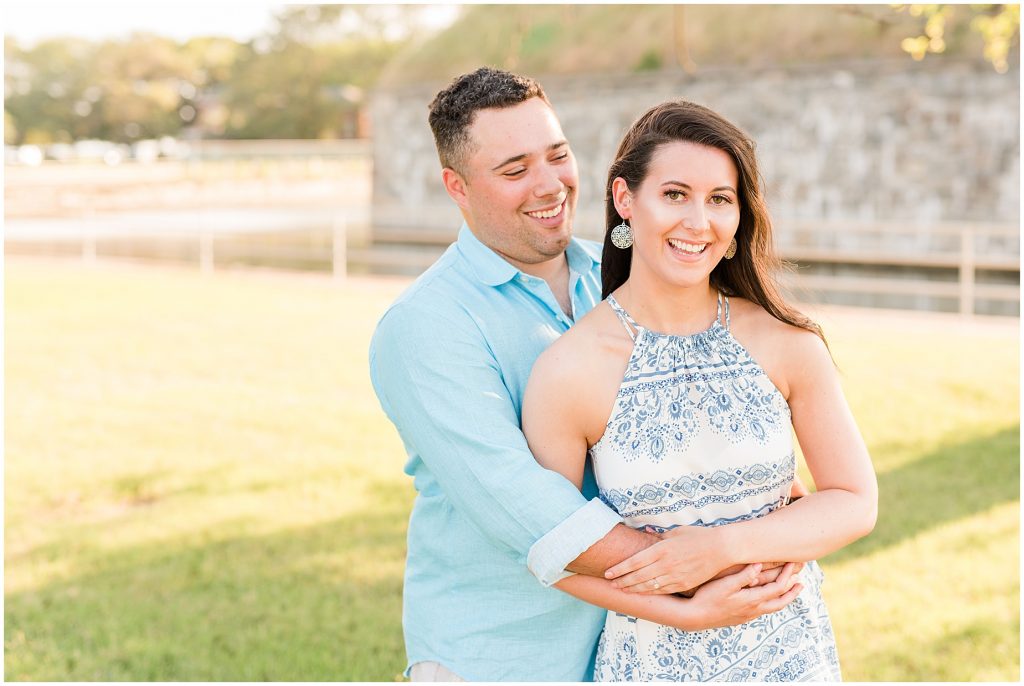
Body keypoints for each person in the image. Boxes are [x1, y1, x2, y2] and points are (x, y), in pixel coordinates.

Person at [369, 69, 803, 682]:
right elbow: (526, 508)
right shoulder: (426, 327)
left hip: (626, 650)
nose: (550, 185)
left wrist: (748, 499)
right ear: (457, 187)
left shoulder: (620, 275)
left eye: (558, 155)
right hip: (500, 656)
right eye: (515, 170)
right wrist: (706, 569)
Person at [522, 100, 878, 681]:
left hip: (792, 655)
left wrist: (722, 548)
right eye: (675, 194)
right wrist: (685, 614)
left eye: (720, 199)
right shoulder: (568, 371)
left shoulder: (786, 341)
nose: (698, 222)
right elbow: (553, 554)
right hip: (653, 661)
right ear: (624, 200)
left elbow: (854, 500)